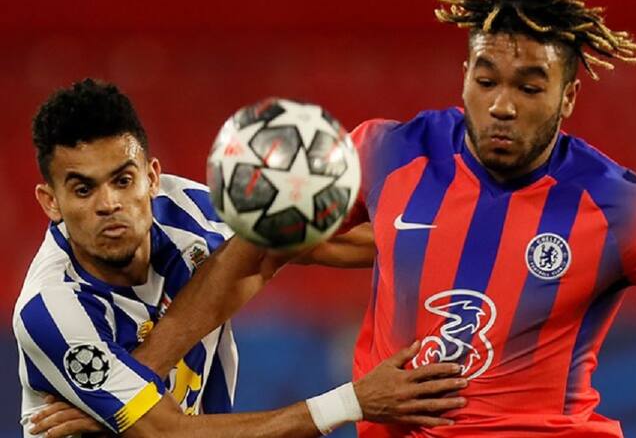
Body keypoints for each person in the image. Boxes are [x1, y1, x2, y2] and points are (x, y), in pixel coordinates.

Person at [14, 79, 468, 437]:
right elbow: (166, 433)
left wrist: (464, 235)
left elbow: (331, 243)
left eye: (122, 180)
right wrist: (352, 402)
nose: (109, 204)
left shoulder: (194, 215)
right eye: (83, 189)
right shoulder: (51, 309)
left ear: (152, 177)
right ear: (51, 202)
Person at [336, 0, 636, 438]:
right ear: (465, 77)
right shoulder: (390, 155)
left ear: (568, 96)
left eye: (529, 88)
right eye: (486, 83)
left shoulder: (616, 205)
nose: (502, 106)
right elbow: (277, 238)